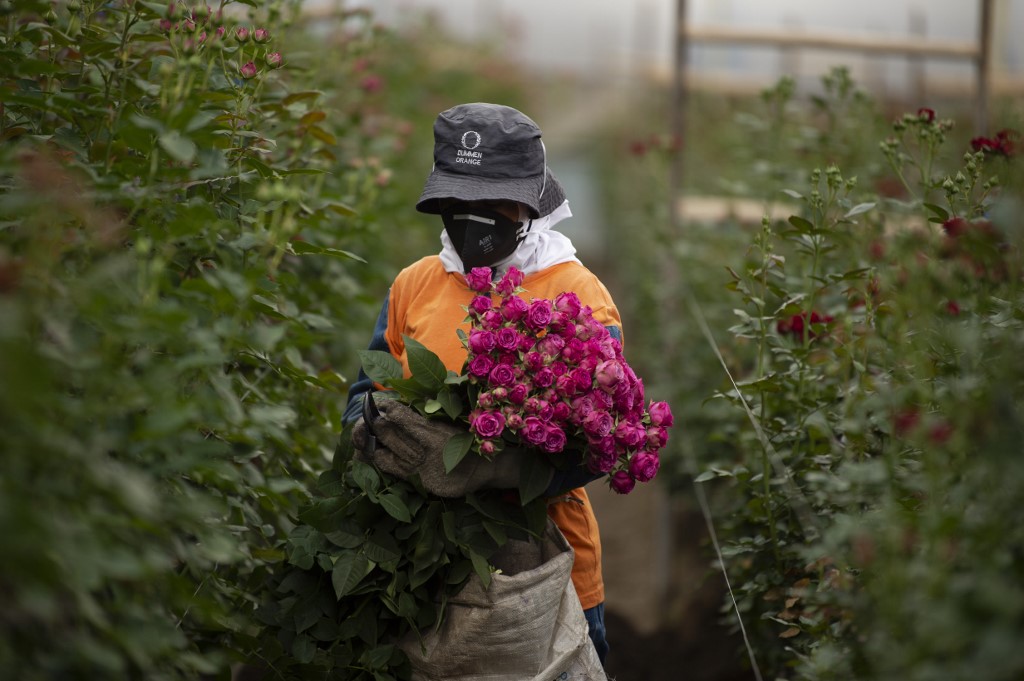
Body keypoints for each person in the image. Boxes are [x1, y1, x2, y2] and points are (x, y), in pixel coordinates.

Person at [343, 102, 622, 665]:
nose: (474, 217)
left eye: (494, 202)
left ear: (531, 201)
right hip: (419, 557)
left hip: (544, 562)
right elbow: (363, 398)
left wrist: (502, 469)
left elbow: (607, 440)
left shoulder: (577, 295)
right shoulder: (415, 284)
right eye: (459, 201)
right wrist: (379, 439)